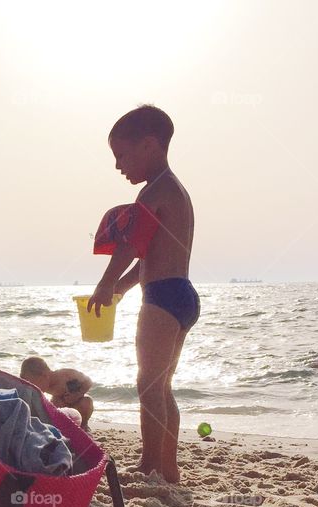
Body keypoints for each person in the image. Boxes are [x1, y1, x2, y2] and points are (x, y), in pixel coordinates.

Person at [87, 105, 197, 483]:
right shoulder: (174, 189)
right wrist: (120, 288)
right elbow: (148, 259)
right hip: (180, 293)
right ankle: (169, 468)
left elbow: (133, 245)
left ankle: (152, 465)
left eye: (122, 155)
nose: (119, 166)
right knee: (161, 386)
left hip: (163, 297)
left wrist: (104, 282)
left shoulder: (155, 192)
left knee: (148, 385)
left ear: (150, 145)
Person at [20, 357, 95, 430]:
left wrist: (77, 394)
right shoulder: (45, 384)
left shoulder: (64, 375)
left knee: (87, 402)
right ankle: (63, 427)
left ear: (45, 376)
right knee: (53, 404)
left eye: (34, 384)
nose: (34, 388)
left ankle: (83, 426)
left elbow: (88, 381)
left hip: (77, 402)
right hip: (62, 407)